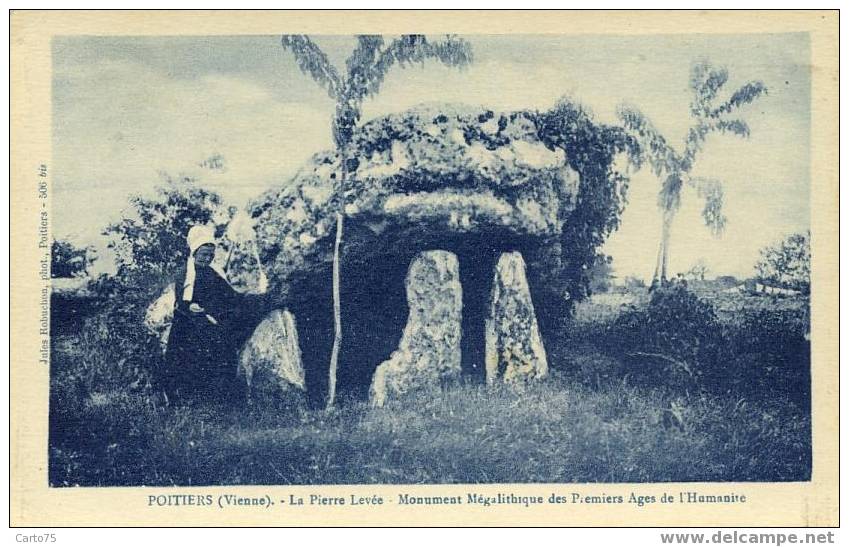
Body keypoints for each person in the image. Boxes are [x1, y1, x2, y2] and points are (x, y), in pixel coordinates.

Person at [162, 225, 265, 405]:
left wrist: (249, 296)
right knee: (192, 360)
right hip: (188, 326)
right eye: (204, 255)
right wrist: (191, 307)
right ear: (194, 253)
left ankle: (218, 399)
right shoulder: (185, 274)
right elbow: (182, 302)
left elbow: (229, 295)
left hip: (210, 320)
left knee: (224, 346)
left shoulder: (212, 272)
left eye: (211, 255)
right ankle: (189, 399)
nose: (208, 258)